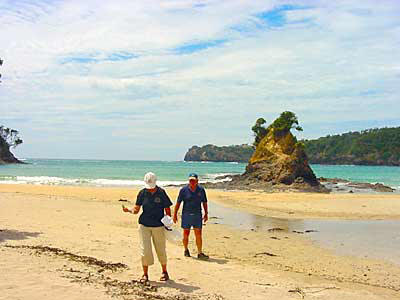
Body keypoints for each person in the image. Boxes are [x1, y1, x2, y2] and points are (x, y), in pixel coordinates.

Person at [123, 172, 172, 283]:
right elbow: (136, 210)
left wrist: (168, 221)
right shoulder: (142, 193)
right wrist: (128, 210)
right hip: (144, 225)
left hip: (158, 226)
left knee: (160, 249)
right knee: (145, 250)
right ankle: (145, 274)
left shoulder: (161, 193)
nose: (150, 189)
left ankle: (164, 272)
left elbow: (167, 209)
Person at [173, 173, 209, 259]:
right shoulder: (183, 190)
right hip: (186, 215)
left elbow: (204, 202)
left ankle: (199, 253)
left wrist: (206, 213)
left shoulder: (201, 190)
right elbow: (178, 203)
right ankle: (186, 250)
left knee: (198, 234)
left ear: (197, 181)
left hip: (197, 215)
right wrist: (174, 214)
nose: (192, 182)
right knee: (186, 234)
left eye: (193, 180)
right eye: (190, 180)